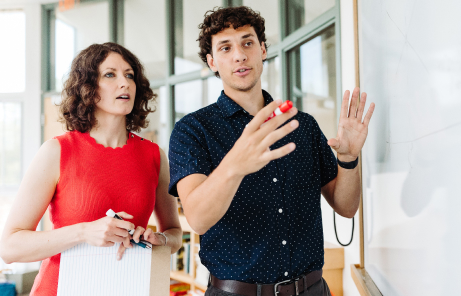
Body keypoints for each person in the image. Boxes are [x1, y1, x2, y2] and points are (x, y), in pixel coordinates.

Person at [168, 6, 375, 296]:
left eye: (248, 42)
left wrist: (348, 158)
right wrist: (235, 164)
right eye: (226, 48)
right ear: (212, 62)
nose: (239, 54)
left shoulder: (302, 125)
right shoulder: (193, 130)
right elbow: (198, 219)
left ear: (263, 50)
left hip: (313, 290)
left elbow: (346, 206)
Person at [0, 42, 182, 295]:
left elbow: (173, 233)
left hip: (128, 287)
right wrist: (84, 232)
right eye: (110, 74)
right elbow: (9, 247)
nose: (125, 83)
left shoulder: (154, 156)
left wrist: (158, 240)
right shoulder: (57, 151)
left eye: (129, 75)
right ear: (87, 87)